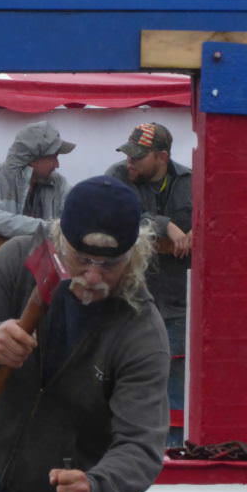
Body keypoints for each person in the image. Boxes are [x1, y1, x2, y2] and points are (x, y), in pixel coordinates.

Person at [0, 175, 170, 492]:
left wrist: (97, 486)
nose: (92, 276)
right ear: (60, 240)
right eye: (82, 259)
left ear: (134, 256)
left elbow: (141, 444)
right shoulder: (18, 262)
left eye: (109, 265)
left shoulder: (139, 329)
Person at [0, 120, 76, 421]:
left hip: (40, 302)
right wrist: (46, 229)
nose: (57, 163)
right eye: (53, 156)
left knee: (36, 395)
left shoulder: (59, 185)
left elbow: (73, 221)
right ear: (34, 158)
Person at [106, 122, 192, 447]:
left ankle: (173, 453)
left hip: (177, 302)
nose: (129, 161)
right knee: (129, 381)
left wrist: (201, 228)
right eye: (128, 154)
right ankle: (129, 451)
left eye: (138, 157)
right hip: (130, 302)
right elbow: (120, 214)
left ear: (162, 157)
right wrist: (166, 225)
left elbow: (217, 214)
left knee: (175, 388)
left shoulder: (192, 182)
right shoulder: (116, 177)